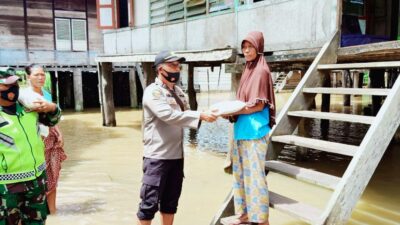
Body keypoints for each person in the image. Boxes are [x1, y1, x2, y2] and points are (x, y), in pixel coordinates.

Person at [137, 50, 218, 225]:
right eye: (172, 65)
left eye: (178, 65)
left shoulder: (179, 92)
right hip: (156, 158)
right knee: (148, 206)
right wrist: (200, 116)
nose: (177, 68)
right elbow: (169, 116)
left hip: (176, 157)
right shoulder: (153, 92)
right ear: (160, 68)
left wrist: (214, 113)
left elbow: (186, 114)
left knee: (170, 204)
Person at [224, 31, 276, 225]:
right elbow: (243, 101)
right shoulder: (248, 70)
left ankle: (261, 220)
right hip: (241, 131)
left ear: (259, 48)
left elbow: (258, 105)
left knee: (255, 178)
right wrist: (231, 110)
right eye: (244, 47)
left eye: (250, 47)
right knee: (240, 177)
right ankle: (244, 214)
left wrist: (234, 109)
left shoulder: (261, 71)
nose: (246, 51)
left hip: (255, 132)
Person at [0, 67, 61, 225]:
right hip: (6, 188)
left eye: (15, 83)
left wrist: (52, 107)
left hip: (36, 182)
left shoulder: (28, 107)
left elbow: (53, 120)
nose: (13, 88)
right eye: (6, 85)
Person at [23, 64, 67, 214]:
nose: (41, 77)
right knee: (41, 179)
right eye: (36, 75)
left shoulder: (46, 94)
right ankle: (40, 212)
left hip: (50, 138)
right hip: (36, 141)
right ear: (28, 77)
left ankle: (53, 212)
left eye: (42, 74)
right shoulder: (24, 96)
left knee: (53, 177)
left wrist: (59, 132)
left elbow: (51, 119)